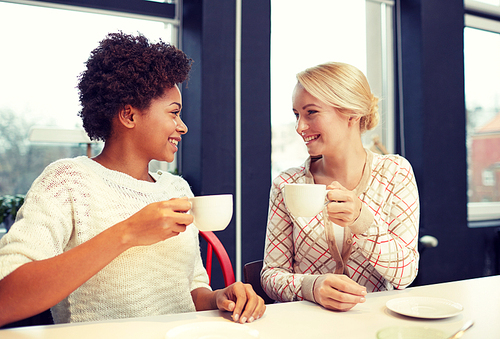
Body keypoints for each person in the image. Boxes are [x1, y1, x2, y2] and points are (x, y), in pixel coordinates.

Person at [0, 32, 265, 327]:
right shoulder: (68, 182)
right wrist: (127, 233)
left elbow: (190, 289)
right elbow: (6, 299)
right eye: (174, 113)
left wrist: (217, 298)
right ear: (128, 115)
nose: (183, 126)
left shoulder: (176, 188)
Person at [261, 62, 419, 312]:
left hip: (374, 323)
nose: (299, 127)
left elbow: (406, 274)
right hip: (308, 326)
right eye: (296, 115)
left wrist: (362, 221)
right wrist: (311, 287)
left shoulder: (395, 173)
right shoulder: (287, 184)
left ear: (352, 114)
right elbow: (271, 275)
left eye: (311, 112)